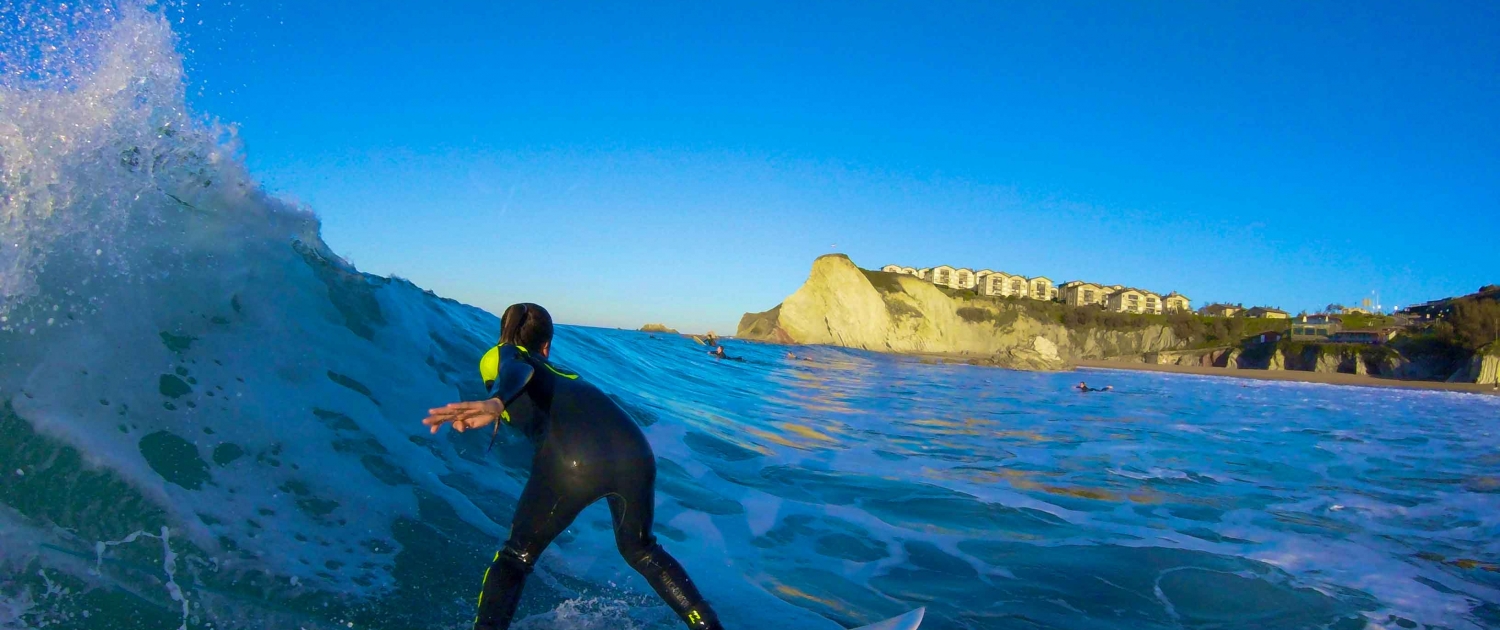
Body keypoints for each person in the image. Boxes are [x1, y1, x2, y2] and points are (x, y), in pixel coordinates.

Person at [422, 304, 724, 630]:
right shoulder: (559, 372)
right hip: (635, 451)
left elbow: (514, 369)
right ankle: (707, 625)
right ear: (547, 345)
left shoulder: (503, 353)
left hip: (575, 459)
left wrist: (496, 401)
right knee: (641, 549)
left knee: (516, 557)